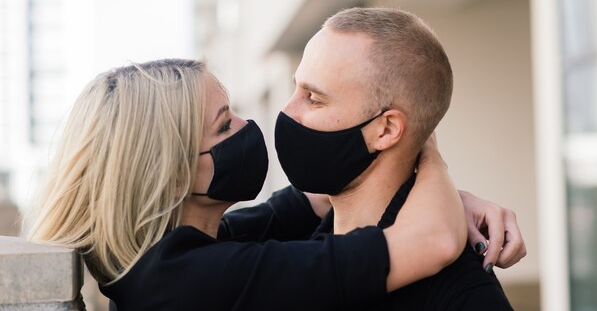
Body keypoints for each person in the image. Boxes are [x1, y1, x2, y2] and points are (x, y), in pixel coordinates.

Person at [27, 58, 473, 311]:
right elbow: (432, 240)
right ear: (174, 172)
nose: (247, 127)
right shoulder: (195, 282)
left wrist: (455, 199)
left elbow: (310, 203)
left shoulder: (170, 258)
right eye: (224, 127)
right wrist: (422, 139)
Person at [275, 7, 526, 310]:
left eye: (313, 98)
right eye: (296, 88)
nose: (288, 112)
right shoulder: (288, 248)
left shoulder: (462, 295)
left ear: (387, 129)